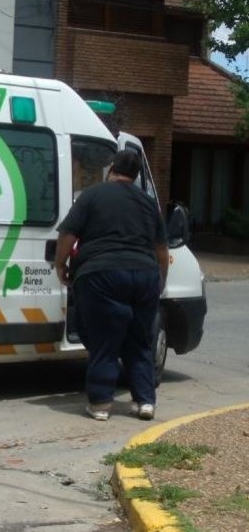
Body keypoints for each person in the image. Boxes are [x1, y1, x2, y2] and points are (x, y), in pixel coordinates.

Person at [54, 151, 169, 422]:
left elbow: (68, 234)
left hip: (101, 274)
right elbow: (161, 249)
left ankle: (101, 403)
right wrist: (159, 279)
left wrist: (61, 265)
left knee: (104, 340)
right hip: (144, 274)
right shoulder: (148, 202)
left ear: (112, 169)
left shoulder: (92, 195)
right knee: (140, 340)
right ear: (137, 175)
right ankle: (145, 402)